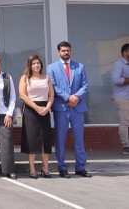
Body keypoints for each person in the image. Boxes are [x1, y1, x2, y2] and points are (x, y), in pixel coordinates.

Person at [47, 41, 90, 177]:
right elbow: (53, 86)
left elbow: (85, 84)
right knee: (60, 138)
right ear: (58, 52)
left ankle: (80, 167)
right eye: (63, 51)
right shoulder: (51, 68)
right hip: (62, 107)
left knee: (79, 138)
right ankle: (62, 167)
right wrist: (68, 97)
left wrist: (76, 97)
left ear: (71, 51)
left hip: (77, 107)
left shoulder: (79, 66)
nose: (66, 53)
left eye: (68, 50)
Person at [18, 54, 54, 178]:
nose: (36, 65)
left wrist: (47, 108)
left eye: (38, 63)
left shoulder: (46, 78)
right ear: (30, 65)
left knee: (45, 140)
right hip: (30, 110)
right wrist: (36, 107)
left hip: (44, 110)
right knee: (32, 140)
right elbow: (22, 95)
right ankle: (32, 168)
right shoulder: (25, 78)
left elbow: (51, 95)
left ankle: (45, 168)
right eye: (33, 63)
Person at [112, 43, 129, 155]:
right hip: (123, 97)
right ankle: (126, 146)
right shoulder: (119, 64)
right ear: (125, 52)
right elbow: (116, 80)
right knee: (125, 122)